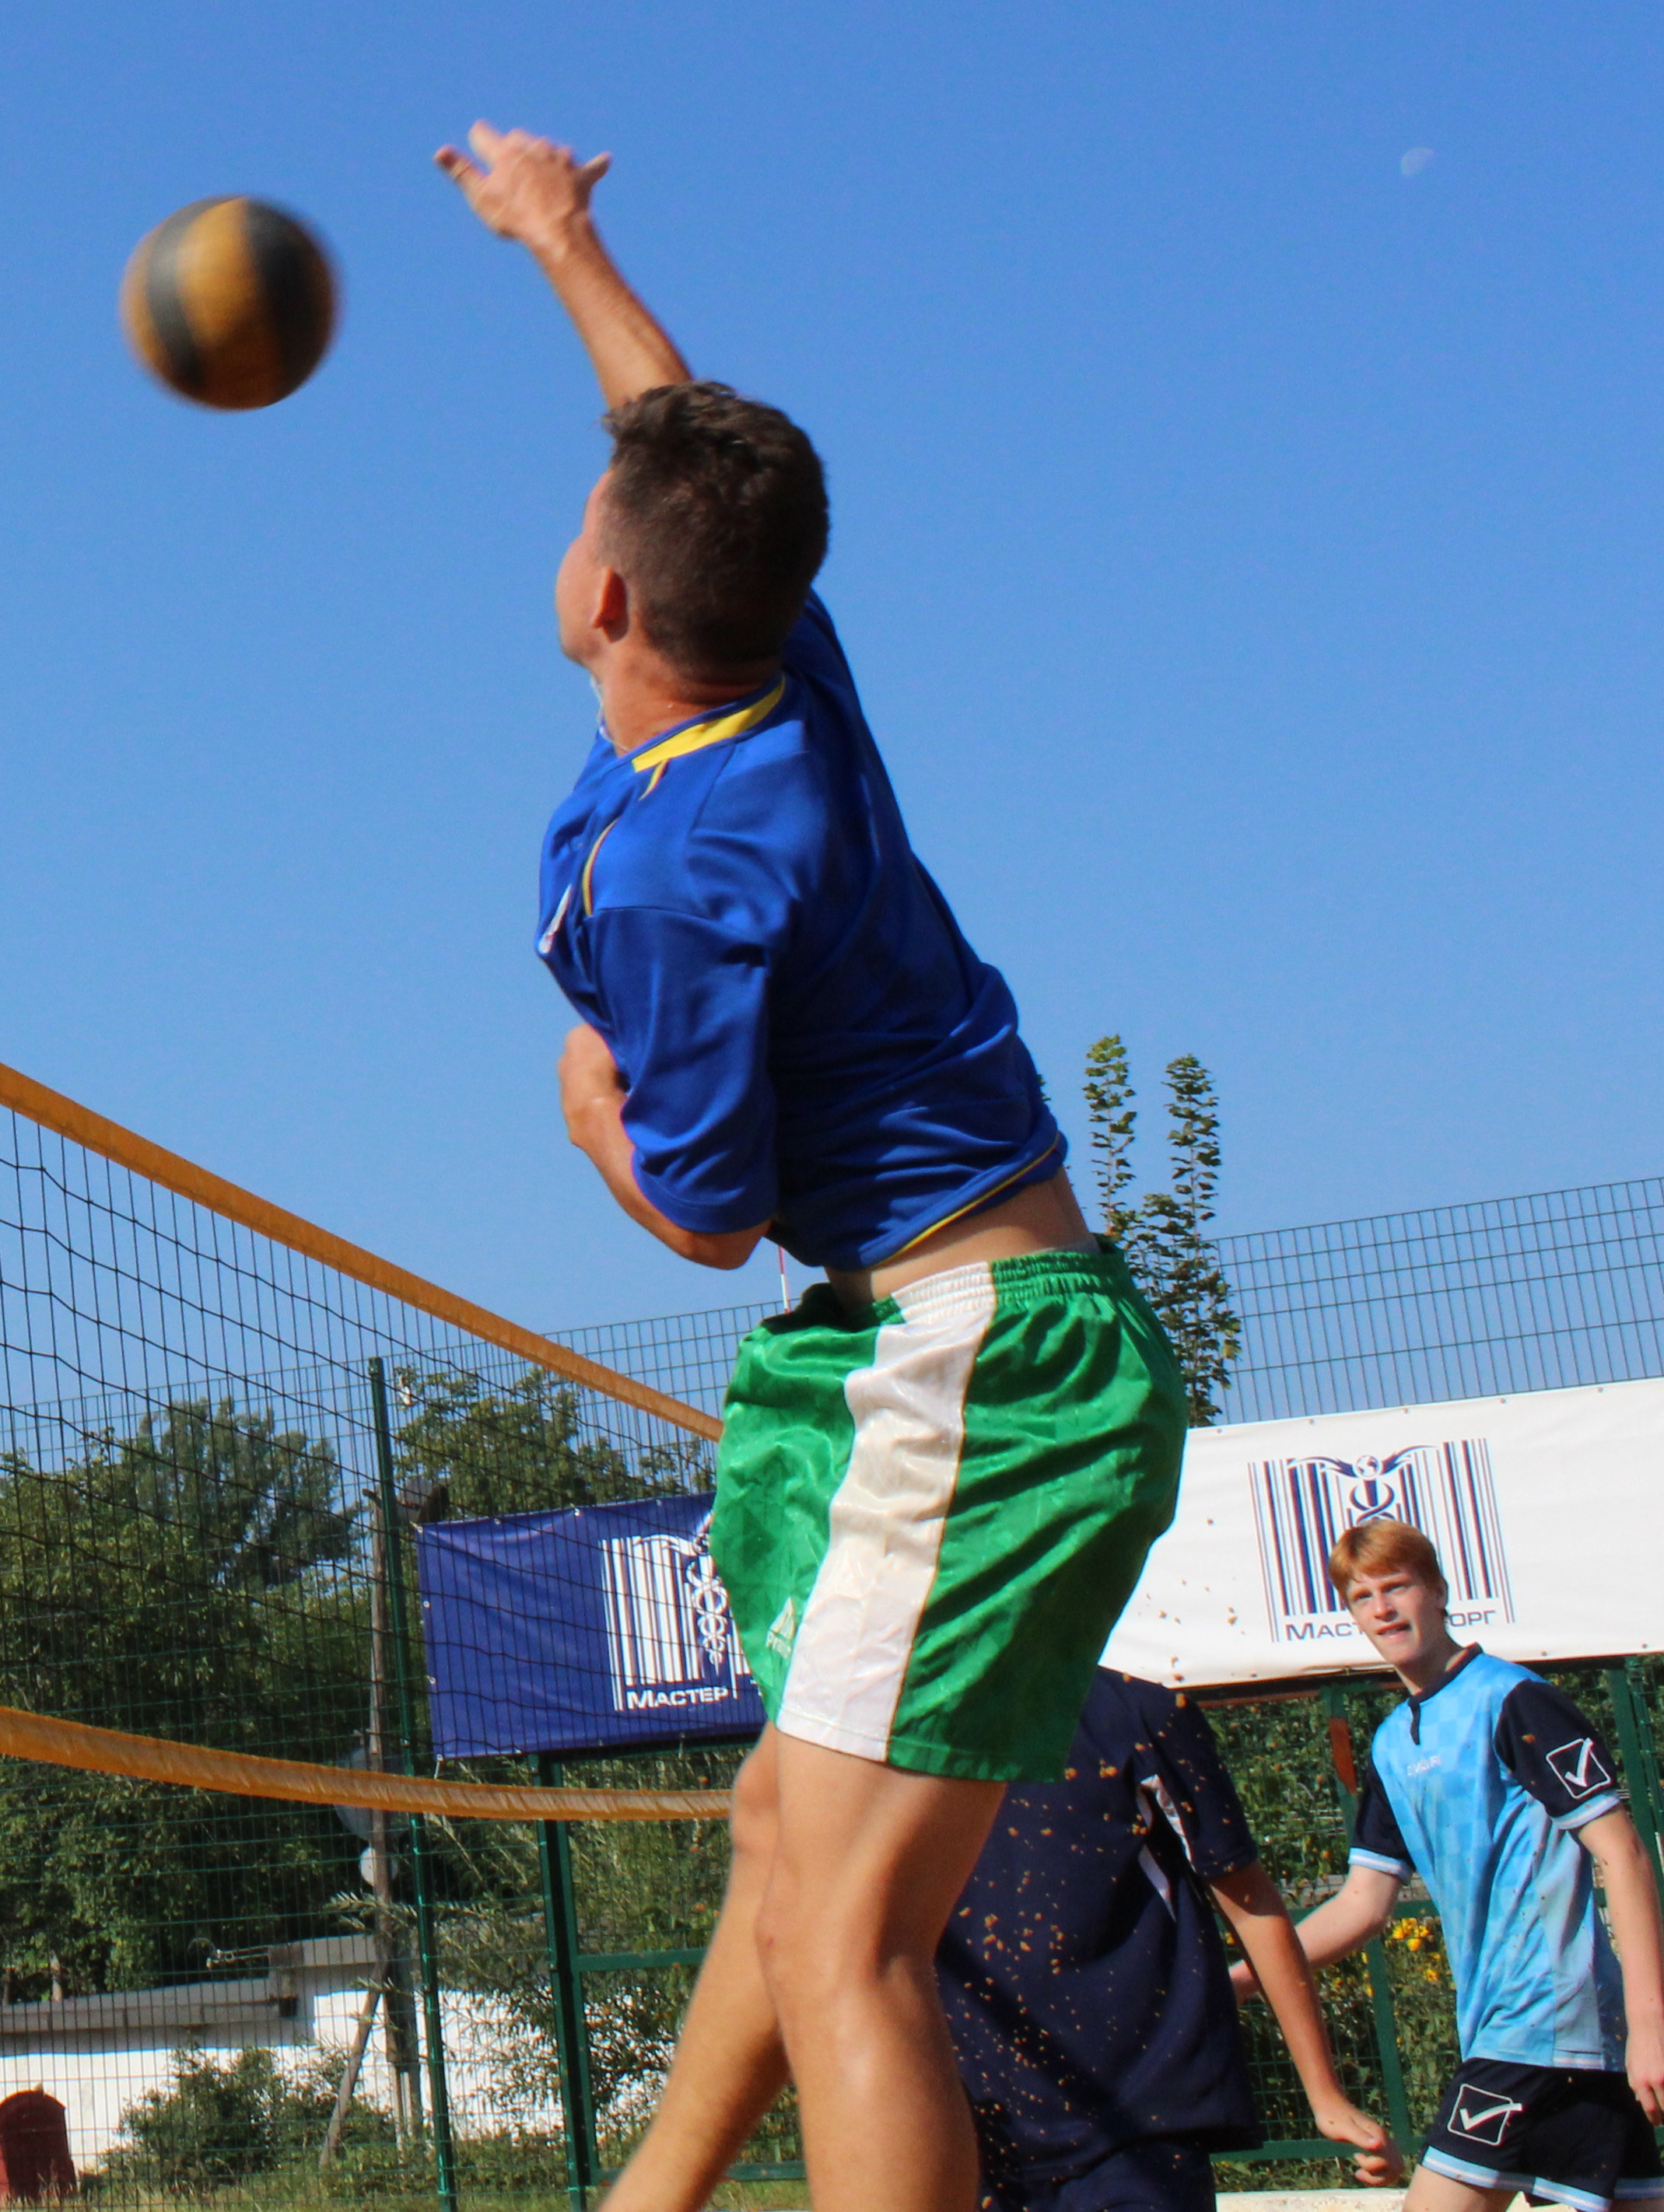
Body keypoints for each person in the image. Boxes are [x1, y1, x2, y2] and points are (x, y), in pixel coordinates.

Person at [443, 121, 1186, 2212]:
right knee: (785, 1834)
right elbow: (668, 434)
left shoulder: (681, 865)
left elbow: (708, 1216)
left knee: (852, 1936)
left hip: (980, 1365)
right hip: (972, 1336)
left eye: (583, 516)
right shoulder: (780, 679)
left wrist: (592, 1122)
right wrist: (562, 238)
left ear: (605, 594)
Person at [611, 1669, 1394, 2212]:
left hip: (1136, 2124)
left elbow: (1252, 1907)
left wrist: (1323, 2093)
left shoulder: (1138, 1713)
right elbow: (806, 1930)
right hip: (982, 2130)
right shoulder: (883, 1742)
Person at [1283, 1518, 1664, 2212]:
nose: (1383, 1609)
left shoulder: (1514, 1699)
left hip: (1538, 2021)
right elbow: (1362, 1905)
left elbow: (1622, 1851)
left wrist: (1650, 2021)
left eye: (1397, 1586)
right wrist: (1239, 1979)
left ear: (1438, 1591)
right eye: (1362, 1597)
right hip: (1545, 2039)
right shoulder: (1393, 1743)